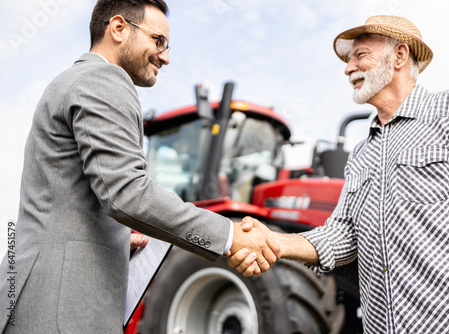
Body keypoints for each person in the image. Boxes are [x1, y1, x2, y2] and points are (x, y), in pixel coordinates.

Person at [0, 0, 279, 332]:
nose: (166, 56)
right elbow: (127, 194)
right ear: (118, 28)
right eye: (158, 41)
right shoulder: (103, 79)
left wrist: (114, 238)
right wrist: (230, 235)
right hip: (61, 309)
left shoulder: (75, 80)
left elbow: (71, 196)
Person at [230, 15, 449, 333]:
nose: (347, 68)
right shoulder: (361, 154)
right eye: (349, 59)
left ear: (399, 56)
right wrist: (274, 241)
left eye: (360, 55)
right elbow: (342, 236)